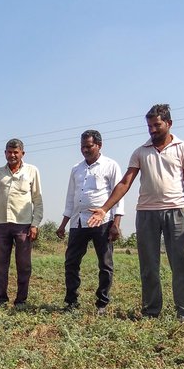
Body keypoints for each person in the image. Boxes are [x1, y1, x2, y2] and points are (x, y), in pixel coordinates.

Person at [87, 104, 184, 320]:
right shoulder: (140, 151)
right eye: (149, 126)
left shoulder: (183, 148)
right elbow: (125, 182)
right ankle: (151, 311)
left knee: (183, 263)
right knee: (149, 265)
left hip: (176, 210)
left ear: (169, 123)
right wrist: (104, 209)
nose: (152, 130)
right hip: (147, 213)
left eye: (157, 125)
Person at [56, 130, 124, 315]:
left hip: (102, 222)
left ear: (99, 145)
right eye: (82, 146)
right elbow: (71, 198)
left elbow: (119, 195)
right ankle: (71, 301)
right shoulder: (76, 169)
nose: (85, 150)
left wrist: (116, 223)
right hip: (78, 222)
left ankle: (102, 303)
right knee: (71, 262)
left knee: (105, 263)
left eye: (89, 146)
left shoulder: (111, 166)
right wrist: (63, 224)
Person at [0, 138, 43, 307]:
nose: (12, 155)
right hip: (1, 225)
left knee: (23, 265)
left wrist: (35, 224)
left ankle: (21, 300)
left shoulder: (32, 171)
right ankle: (1, 300)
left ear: (23, 153)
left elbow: (38, 200)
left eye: (16, 152)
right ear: (5, 153)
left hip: (23, 225)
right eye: (9, 152)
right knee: (1, 265)